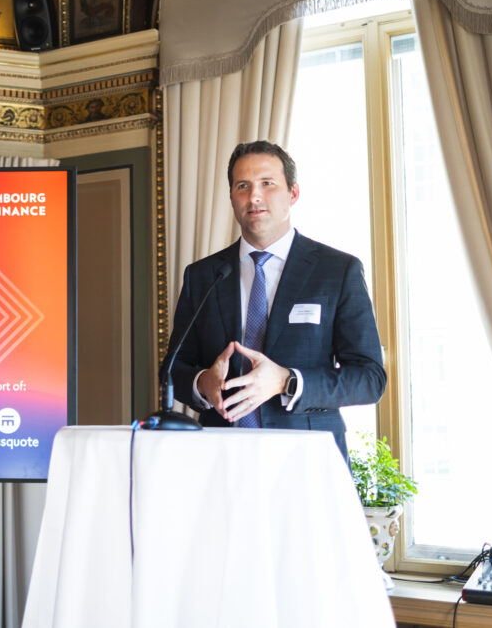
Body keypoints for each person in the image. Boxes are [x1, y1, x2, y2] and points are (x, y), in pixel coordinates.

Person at [162, 140, 385, 460]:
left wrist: (286, 381)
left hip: (306, 459)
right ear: (231, 198)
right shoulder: (203, 275)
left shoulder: (337, 271)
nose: (254, 196)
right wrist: (203, 382)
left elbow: (369, 379)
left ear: (293, 194)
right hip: (221, 458)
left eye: (267, 184)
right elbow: (173, 369)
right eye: (243, 186)